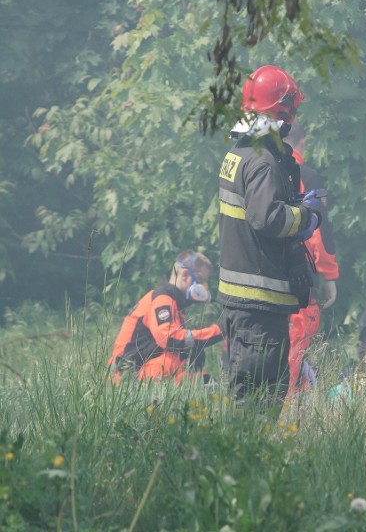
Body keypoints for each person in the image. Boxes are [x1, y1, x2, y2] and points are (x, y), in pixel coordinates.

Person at [218, 64, 324, 403]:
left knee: (246, 393)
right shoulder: (264, 161)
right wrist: (305, 214)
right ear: (284, 111)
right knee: (259, 399)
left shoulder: (239, 153)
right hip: (260, 301)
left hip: (241, 300)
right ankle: (250, 456)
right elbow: (267, 219)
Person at [281, 121, 340, 396]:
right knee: (292, 348)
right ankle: (286, 416)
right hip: (298, 279)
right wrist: (329, 276)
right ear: (302, 143)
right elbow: (317, 231)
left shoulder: (256, 170)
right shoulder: (306, 175)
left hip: (257, 277)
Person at [108, 251, 223, 384]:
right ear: (185, 275)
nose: (203, 287)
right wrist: (219, 331)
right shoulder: (162, 299)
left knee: (197, 357)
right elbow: (169, 339)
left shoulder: (172, 302)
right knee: (176, 359)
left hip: (141, 371)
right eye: (201, 280)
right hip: (127, 375)